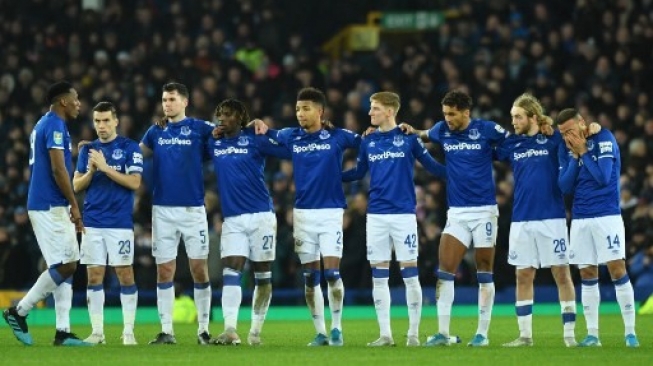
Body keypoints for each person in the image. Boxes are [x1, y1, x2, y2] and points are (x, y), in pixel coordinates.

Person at [400, 90, 508, 347]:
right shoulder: (442, 130)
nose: (447, 118)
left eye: (452, 114)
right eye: (445, 113)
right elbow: (424, 134)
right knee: (445, 270)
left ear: (466, 112)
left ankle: (482, 333)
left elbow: (512, 141)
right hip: (457, 212)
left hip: (484, 211)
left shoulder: (487, 129)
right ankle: (442, 332)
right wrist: (411, 130)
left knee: (484, 271)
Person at [254, 87, 361, 346]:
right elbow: (267, 132)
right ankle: (321, 332)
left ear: (320, 111)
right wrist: (259, 125)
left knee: (332, 273)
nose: (300, 113)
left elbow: (366, 143)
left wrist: (352, 174)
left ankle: (337, 329)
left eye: (306, 108)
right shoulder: (291, 136)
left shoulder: (337, 137)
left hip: (330, 212)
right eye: (298, 109)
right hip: (302, 214)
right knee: (311, 277)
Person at [341, 92, 446, 347]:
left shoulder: (408, 138)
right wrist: (331, 175)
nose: (370, 113)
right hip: (376, 216)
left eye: (375, 108)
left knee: (410, 275)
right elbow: (358, 172)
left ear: (389, 111)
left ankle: (413, 334)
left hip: (403, 216)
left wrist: (461, 172)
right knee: (379, 276)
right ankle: (385, 334)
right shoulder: (368, 141)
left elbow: (432, 166)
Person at [2, 81, 91, 346]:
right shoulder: (53, 124)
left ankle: (62, 332)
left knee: (64, 265)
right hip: (48, 204)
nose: (79, 103)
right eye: (75, 99)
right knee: (68, 264)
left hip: (48, 202)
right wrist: (74, 205)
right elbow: (58, 169)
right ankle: (19, 311)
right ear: (63, 101)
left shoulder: (47, 123)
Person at [494, 94, 577, 347]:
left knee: (561, 274)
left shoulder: (553, 139)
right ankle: (525, 336)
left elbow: (577, 133)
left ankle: (570, 335)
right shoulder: (512, 144)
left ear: (532, 117)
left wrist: (592, 127)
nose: (514, 121)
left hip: (551, 217)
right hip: (521, 219)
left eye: (518, 116)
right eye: (512, 117)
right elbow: (490, 150)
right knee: (523, 275)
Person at [208, 99, 290, 346]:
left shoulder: (256, 138)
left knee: (262, 275)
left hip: (261, 217)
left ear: (241, 118)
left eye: (228, 114)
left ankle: (255, 332)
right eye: (220, 114)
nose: (222, 118)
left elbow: (287, 149)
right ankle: (230, 330)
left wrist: (268, 128)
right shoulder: (213, 142)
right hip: (232, 219)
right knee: (231, 271)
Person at [139, 82, 215, 345]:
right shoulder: (155, 131)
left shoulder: (200, 128)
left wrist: (255, 125)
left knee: (199, 269)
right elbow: (137, 153)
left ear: (185, 102)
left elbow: (228, 132)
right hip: (162, 210)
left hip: (193, 209)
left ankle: (204, 330)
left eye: (171, 99)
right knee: (164, 270)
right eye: (164, 99)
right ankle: (167, 330)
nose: (166, 104)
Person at [557, 108, 639, 347]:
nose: (566, 137)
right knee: (587, 274)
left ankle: (630, 333)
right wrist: (574, 157)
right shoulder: (566, 148)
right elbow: (564, 186)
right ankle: (593, 334)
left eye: (570, 130)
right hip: (581, 218)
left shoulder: (604, 139)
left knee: (616, 269)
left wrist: (583, 152)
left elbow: (603, 177)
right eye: (562, 133)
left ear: (582, 122)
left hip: (607, 216)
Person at [72, 101, 142, 345]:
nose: (101, 126)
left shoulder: (130, 147)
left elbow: (134, 183)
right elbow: (76, 185)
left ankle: (129, 331)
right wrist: (91, 171)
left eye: (105, 120)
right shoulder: (87, 150)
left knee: (125, 275)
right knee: (94, 277)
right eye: (97, 121)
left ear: (115, 121)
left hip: (120, 223)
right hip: (93, 222)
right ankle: (98, 333)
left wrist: (104, 168)